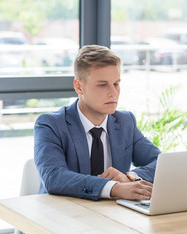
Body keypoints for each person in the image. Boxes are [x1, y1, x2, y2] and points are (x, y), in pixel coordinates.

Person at [33, 45, 161, 201]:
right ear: (79, 86)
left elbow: (161, 163)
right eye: (102, 85)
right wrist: (114, 188)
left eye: (116, 84)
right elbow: (54, 177)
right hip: (61, 215)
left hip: (111, 214)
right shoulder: (51, 125)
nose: (113, 93)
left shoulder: (125, 122)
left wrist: (129, 177)